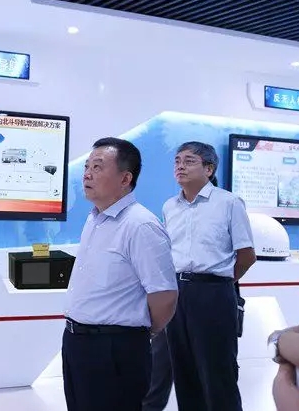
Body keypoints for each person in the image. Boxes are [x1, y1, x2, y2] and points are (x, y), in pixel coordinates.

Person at [63, 137, 178, 411]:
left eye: (98, 167)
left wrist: (136, 334)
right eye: (87, 166)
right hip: (77, 342)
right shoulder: (94, 218)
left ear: (125, 178)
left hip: (115, 348)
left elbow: (164, 296)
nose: (87, 174)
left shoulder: (140, 225)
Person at [163, 141, 256, 411]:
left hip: (213, 292)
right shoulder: (170, 206)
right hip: (177, 293)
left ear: (209, 168)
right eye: (177, 161)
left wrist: (221, 283)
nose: (180, 166)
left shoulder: (229, 203)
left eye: (189, 161)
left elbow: (246, 255)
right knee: (184, 371)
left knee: (217, 372)